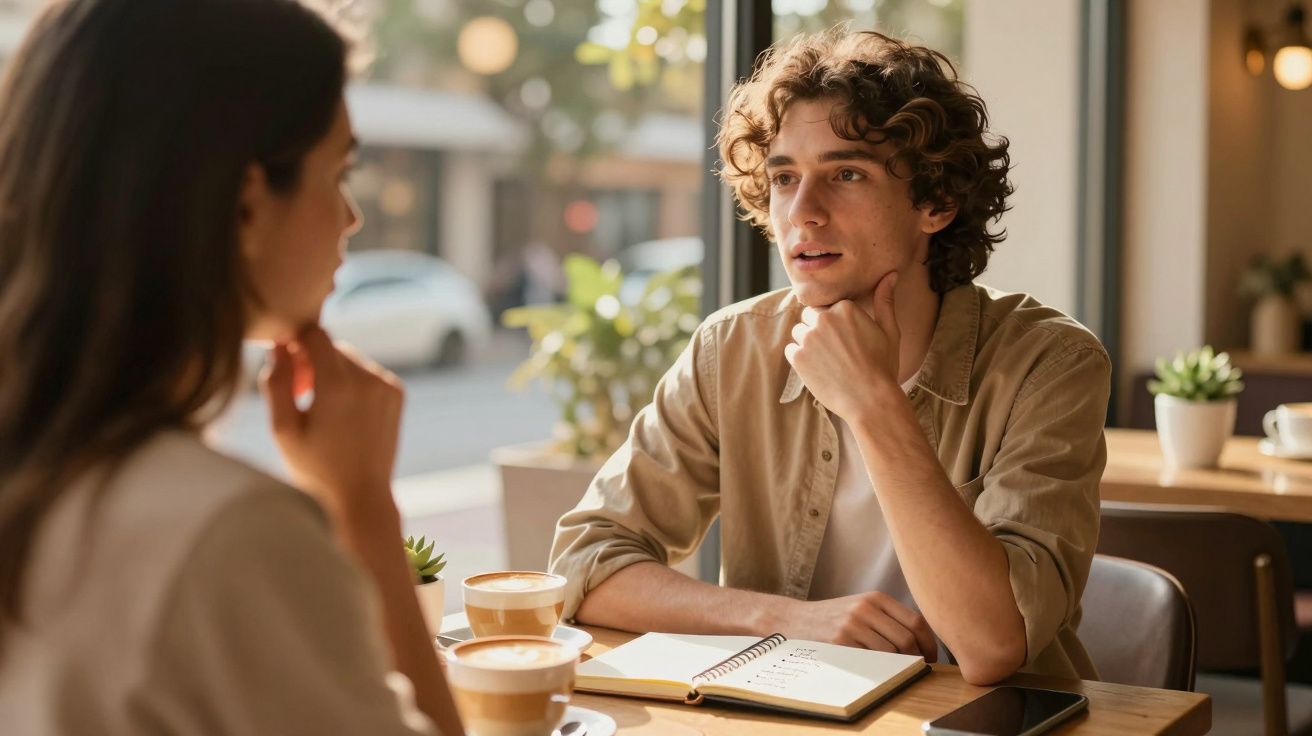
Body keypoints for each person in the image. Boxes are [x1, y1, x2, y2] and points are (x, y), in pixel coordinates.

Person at [550, 29, 1111, 686]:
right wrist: (783, 618)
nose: (802, 213)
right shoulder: (731, 349)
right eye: (785, 177)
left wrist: (874, 403)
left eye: (846, 175)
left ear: (936, 202)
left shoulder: (1050, 363)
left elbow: (993, 645)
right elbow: (582, 567)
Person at [0, 1, 463, 733]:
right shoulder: (228, 534)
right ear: (247, 203)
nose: (352, 219)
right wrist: (364, 509)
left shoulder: (42, 468)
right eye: (338, 172)